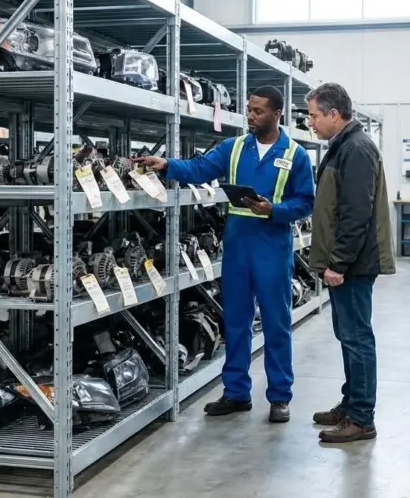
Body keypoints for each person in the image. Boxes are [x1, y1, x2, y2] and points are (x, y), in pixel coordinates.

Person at [133, 85, 315, 423]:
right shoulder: (234, 148)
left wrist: (274, 210)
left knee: (276, 323)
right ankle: (236, 392)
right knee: (235, 321)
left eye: (258, 111)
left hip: (272, 248)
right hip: (237, 247)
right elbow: (200, 168)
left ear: (277, 114)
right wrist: (167, 164)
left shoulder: (295, 155)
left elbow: (306, 202)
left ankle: (279, 396)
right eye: (249, 109)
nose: (250, 116)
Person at [304, 82, 395, 444]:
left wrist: (338, 263)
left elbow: (356, 214)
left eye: (314, 115)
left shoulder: (356, 149)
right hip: (346, 262)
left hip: (353, 265)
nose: (310, 122)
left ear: (333, 114)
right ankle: (351, 403)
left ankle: (361, 418)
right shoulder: (343, 146)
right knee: (348, 336)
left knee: (357, 338)